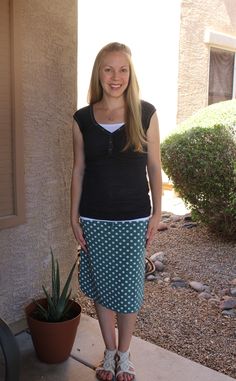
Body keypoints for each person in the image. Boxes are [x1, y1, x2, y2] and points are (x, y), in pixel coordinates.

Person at [71, 42, 162, 381]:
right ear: (99, 73)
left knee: (128, 288)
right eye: (108, 69)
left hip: (134, 217)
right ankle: (109, 351)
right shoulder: (82, 118)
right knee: (101, 284)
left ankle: (125, 353)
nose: (115, 76)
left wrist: (157, 214)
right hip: (94, 218)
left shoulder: (146, 113)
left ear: (130, 74)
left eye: (122, 69)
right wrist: (73, 216)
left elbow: (154, 167)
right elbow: (78, 170)